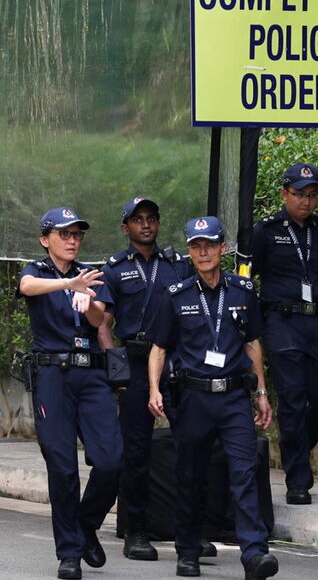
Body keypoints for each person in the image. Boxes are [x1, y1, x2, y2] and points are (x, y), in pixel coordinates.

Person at [148, 216, 278, 580]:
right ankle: (188, 550)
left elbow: (252, 344)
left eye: (209, 245)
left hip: (234, 397)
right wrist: (155, 389)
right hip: (194, 399)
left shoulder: (242, 290)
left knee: (244, 472)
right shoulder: (177, 295)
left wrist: (262, 393)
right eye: (196, 246)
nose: (203, 252)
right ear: (189, 251)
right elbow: (159, 348)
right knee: (191, 475)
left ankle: (255, 554)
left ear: (223, 248)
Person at [17, 207, 123, 580]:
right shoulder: (36, 270)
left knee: (111, 460)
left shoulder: (92, 274)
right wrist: (67, 285)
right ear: (45, 239)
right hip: (52, 375)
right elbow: (27, 288)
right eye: (64, 234)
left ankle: (85, 524)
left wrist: (88, 299)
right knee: (62, 466)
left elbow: (98, 320)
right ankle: (70, 553)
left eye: (77, 234)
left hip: (91, 374)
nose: (72, 240)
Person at [97, 197, 194, 561]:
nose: (146, 225)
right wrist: (116, 370)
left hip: (175, 362)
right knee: (135, 451)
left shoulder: (177, 265)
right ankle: (135, 530)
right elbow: (103, 325)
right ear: (126, 228)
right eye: (138, 220)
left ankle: (191, 531)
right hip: (136, 365)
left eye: (151, 218)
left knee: (191, 445)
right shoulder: (115, 269)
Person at [250, 163, 318, 505]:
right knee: (292, 398)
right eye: (300, 194)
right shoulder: (266, 231)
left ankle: (297, 448)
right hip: (281, 320)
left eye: (312, 195)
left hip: (315, 321)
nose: (306, 201)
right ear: (284, 194)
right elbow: (248, 275)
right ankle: (298, 482)